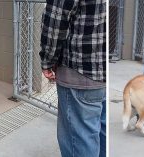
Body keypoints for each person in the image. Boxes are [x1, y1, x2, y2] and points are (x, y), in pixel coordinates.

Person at [39, 0, 106, 157]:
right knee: (100, 133)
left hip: (78, 72)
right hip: (102, 73)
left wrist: (48, 60)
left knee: (80, 138)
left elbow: (55, 21)